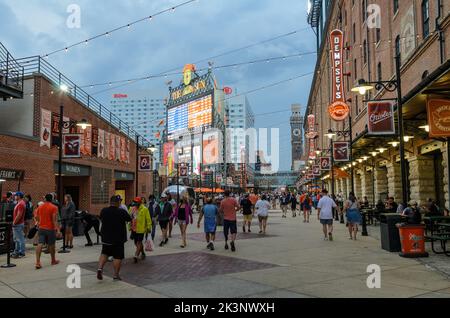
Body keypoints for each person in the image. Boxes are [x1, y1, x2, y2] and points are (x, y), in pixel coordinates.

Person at [97, 195, 132, 281]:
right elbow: (129, 219)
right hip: (118, 239)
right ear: (117, 202)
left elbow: (101, 219)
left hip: (106, 238)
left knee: (104, 253)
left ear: (110, 202)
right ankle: (116, 275)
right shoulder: (122, 212)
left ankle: (100, 269)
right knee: (117, 257)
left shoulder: (104, 211)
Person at [34, 194, 61, 269]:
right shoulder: (54, 207)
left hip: (41, 228)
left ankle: (38, 262)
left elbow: (36, 216)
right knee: (52, 245)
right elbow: (54, 220)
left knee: (40, 243)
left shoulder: (40, 206)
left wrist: (39, 222)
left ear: (45, 199)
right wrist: (58, 230)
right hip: (50, 229)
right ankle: (53, 260)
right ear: (52, 199)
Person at [128, 197, 151, 263]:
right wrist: (129, 226)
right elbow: (129, 218)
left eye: (136, 202)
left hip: (141, 229)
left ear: (140, 202)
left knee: (139, 242)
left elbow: (148, 219)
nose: (135, 203)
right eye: (134, 202)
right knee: (136, 242)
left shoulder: (144, 209)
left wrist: (149, 227)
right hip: (134, 228)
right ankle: (142, 252)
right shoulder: (132, 209)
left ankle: (136, 255)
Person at [11, 192, 26, 258]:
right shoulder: (20, 203)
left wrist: (14, 222)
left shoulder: (21, 204)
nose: (14, 197)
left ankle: (21, 252)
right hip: (18, 223)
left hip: (18, 224)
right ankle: (17, 251)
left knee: (20, 239)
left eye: (15, 195)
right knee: (17, 239)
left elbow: (19, 215)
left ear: (19, 196)